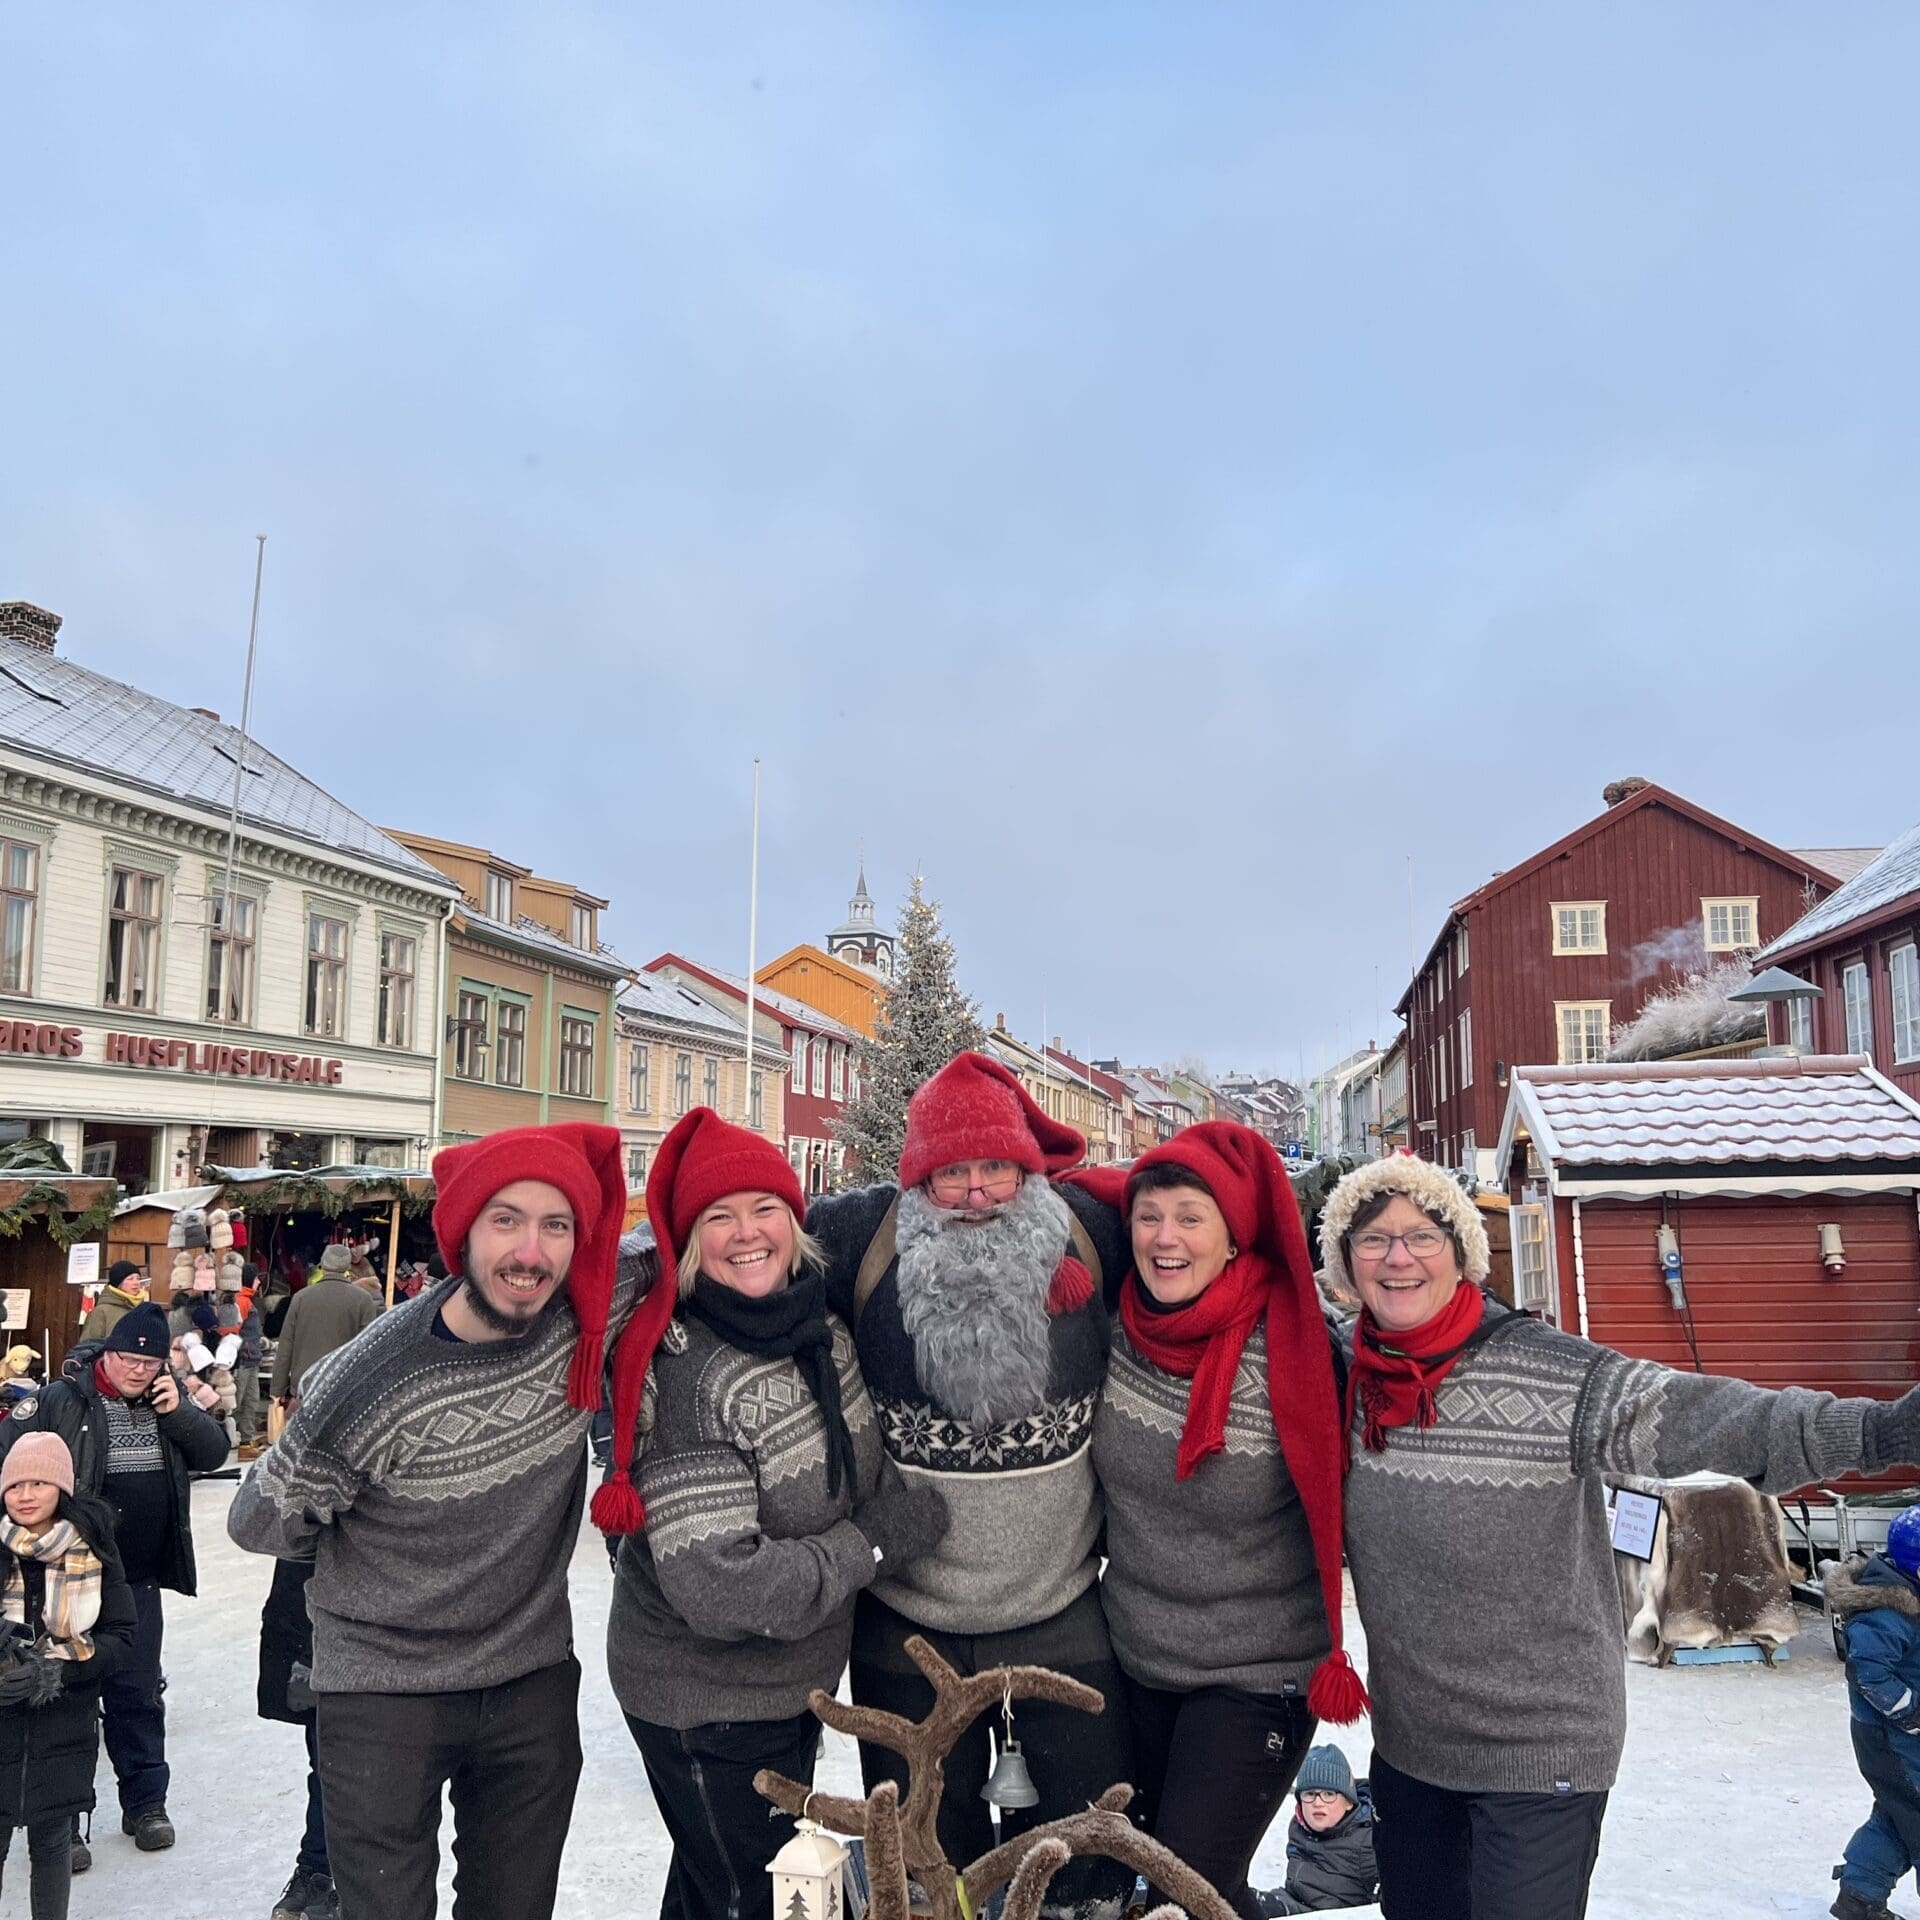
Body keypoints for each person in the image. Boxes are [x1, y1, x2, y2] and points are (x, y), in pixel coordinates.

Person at [1319, 1153, 1920, 1920]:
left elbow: (1710, 1415)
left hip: (1542, 1750)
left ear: (1463, 1254)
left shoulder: (1556, 1374)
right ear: (1344, 1262)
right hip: (1413, 1747)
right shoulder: (1345, 1376)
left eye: (1422, 1237)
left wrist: (1879, 1430)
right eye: (1372, 1239)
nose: (1398, 1258)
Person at [229, 1122, 657, 1920]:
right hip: (384, 1690)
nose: (531, 1253)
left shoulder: (584, 1311)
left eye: (556, 1225)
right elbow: (260, 1522)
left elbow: (703, 1222)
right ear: (462, 1233)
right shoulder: (365, 1381)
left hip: (528, 1678)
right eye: (506, 1220)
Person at [805, 1052, 1133, 1915]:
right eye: (953, 1173)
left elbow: (1205, 1207)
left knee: (1079, 1862)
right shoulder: (862, 1239)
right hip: (905, 1627)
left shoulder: (1092, 1230)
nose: (979, 1192)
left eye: (996, 1168)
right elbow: (734, 1231)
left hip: (1062, 1608)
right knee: (924, 1871)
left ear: (1027, 1168)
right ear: (919, 1178)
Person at [599, 1109, 947, 1920]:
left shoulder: (817, 1330)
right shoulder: (691, 1377)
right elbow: (723, 1589)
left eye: (764, 1211)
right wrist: (868, 1546)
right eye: (718, 1218)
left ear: (795, 1223)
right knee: (754, 1899)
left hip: (789, 1685)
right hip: (709, 1703)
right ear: (688, 1243)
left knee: (713, 1888)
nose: (746, 1234)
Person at [1085, 1123, 1362, 1920]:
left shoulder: (1302, 1351)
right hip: (1136, 1654)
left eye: (1190, 1216)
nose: (1164, 1238)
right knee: (1128, 1878)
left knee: (1186, 1890)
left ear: (1236, 1237)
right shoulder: (1113, 1324)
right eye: (1149, 1215)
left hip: (1257, 1670)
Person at [0, 1302, 228, 1858]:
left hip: (139, 1579)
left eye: (149, 1365)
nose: (137, 1372)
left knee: (137, 1693)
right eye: (128, 1360)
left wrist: (180, 1413)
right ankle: (67, 1819)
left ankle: (146, 1803)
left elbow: (216, 1451)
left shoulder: (166, 1397)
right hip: (64, 1573)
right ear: (108, 1352)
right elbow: (8, 1455)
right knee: (64, 1696)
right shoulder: (63, 1398)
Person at [0, 1432, 136, 1920]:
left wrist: (56, 1667)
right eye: (15, 1485)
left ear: (62, 1489)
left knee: (53, 1841)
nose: (26, 1495)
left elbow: (122, 1636)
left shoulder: (94, 1548)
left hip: (65, 1721)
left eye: (39, 1482)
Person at [1827, 1506, 1920, 1920]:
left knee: (1899, 1811)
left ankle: (1859, 1896)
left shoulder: (1910, 1594)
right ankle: (1859, 1895)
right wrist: (1909, 1711)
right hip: (1890, 1737)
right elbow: (1866, 1669)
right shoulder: (1886, 1612)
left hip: (1903, 1737)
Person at [1256, 1746, 1379, 1916]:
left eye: (1329, 1794)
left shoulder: (1367, 1840)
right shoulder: (1300, 1829)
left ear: (1349, 1802)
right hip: (1297, 1906)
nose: (1318, 1802)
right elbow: (1299, 1891)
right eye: (1310, 1793)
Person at [268, 1245, 377, 1420]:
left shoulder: (301, 1298)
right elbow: (369, 1351)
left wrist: (277, 1390)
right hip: (343, 1387)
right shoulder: (363, 1300)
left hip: (304, 1386)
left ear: (322, 1266)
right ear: (348, 1268)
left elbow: (286, 1345)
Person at [79, 1263, 145, 1344]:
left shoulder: (144, 1309)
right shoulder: (101, 1311)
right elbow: (88, 1346)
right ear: (118, 1283)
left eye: (138, 1278)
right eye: (130, 1279)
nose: (136, 1283)